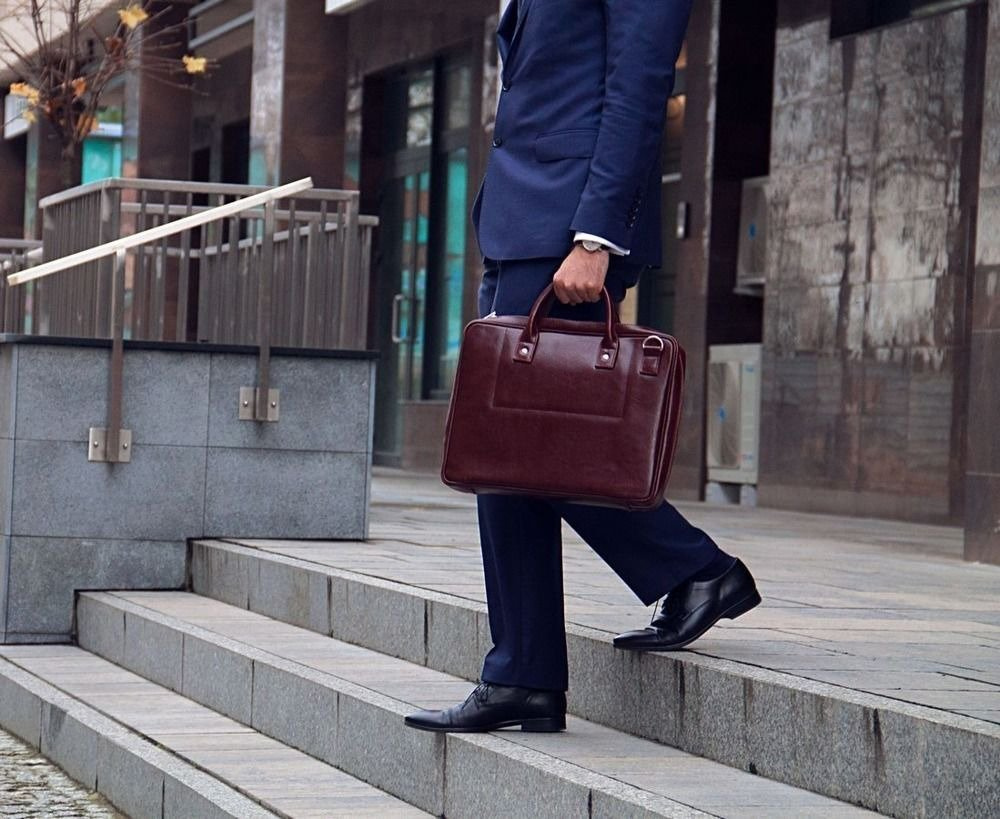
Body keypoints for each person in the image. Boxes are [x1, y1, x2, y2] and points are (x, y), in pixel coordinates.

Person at [405, 0, 760, 734]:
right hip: (520, 218)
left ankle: (674, 580)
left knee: (515, 444)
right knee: (507, 450)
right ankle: (530, 669)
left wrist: (596, 234)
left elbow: (639, 81)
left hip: (567, 226)